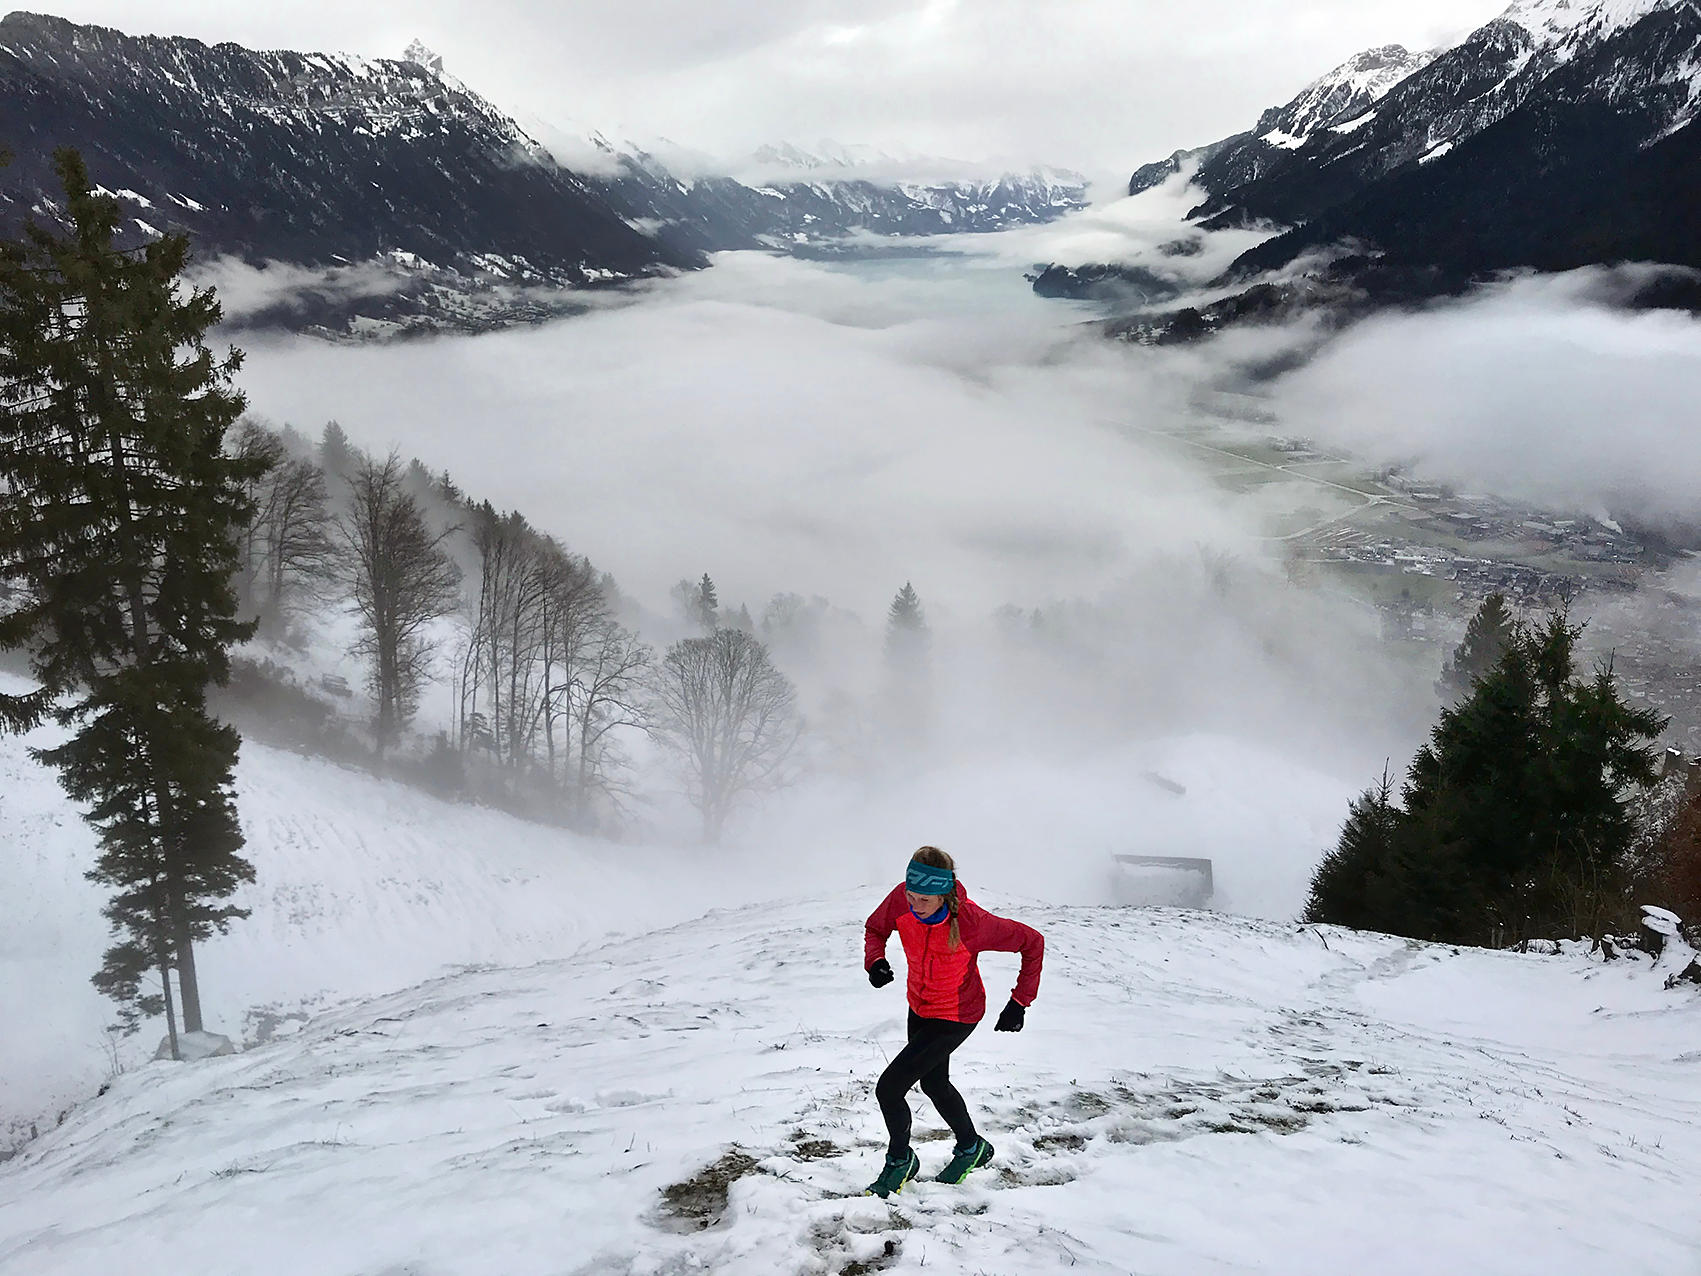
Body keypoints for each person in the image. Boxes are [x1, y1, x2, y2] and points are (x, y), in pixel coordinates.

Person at [861, 846, 1045, 1197]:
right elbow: (875, 928)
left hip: (957, 1015)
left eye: (924, 900)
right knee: (934, 1085)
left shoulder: (974, 923)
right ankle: (972, 1147)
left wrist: (1020, 1001)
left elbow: (1032, 942)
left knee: (889, 1088)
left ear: (944, 894)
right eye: (910, 895)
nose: (914, 905)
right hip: (919, 1006)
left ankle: (900, 1161)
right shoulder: (902, 900)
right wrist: (875, 961)